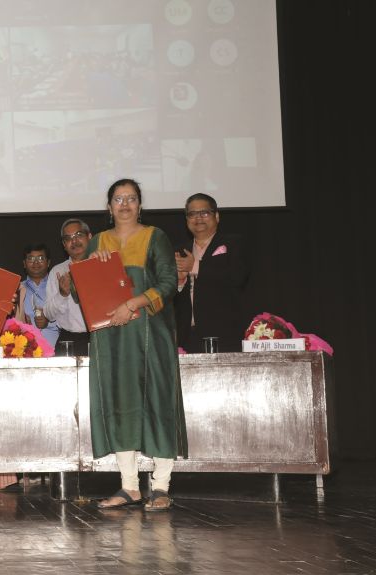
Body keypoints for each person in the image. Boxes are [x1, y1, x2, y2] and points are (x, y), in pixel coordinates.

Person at [83, 179, 187, 511]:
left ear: (140, 205)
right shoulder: (97, 241)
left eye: (131, 198)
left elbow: (169, 282)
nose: (124, 204)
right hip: (110, 336)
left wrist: (134, 303)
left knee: (157, 400)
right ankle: (129, 486)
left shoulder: (155, 236)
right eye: (118, 199)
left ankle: (161, 486)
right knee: (120, 403)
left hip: (148, 333)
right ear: (108, 206)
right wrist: (92, 266)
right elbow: (80, 291)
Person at [174, 193, 249, 353]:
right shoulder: (179, 251)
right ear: (187, 220)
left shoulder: (234, 243)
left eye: (204, 213)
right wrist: (180, 282)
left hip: (226, 334)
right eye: (192, 214)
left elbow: (237, 277)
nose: (198, 218)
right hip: (188, 336)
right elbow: (172, 301)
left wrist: (195, 266)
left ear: (217, 216)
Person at [43, 219, 93, 356]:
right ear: (64, 245)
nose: (74, 241)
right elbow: (48, 315)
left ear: (89, 237)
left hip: (100, 337)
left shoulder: (100, 265)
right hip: (69, 340)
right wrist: (62, 294)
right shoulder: (57, 271)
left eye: (78, 235)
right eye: (68, 238)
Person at [14, 243, 59, 349]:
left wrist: (49, 321)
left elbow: (71, 318)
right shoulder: (17, 289)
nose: (36, 262)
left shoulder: (59, 286)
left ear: (48, 263)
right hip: (25, 350)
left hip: (57, 349)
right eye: (31, 259)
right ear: (24, 264)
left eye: (40, 258)